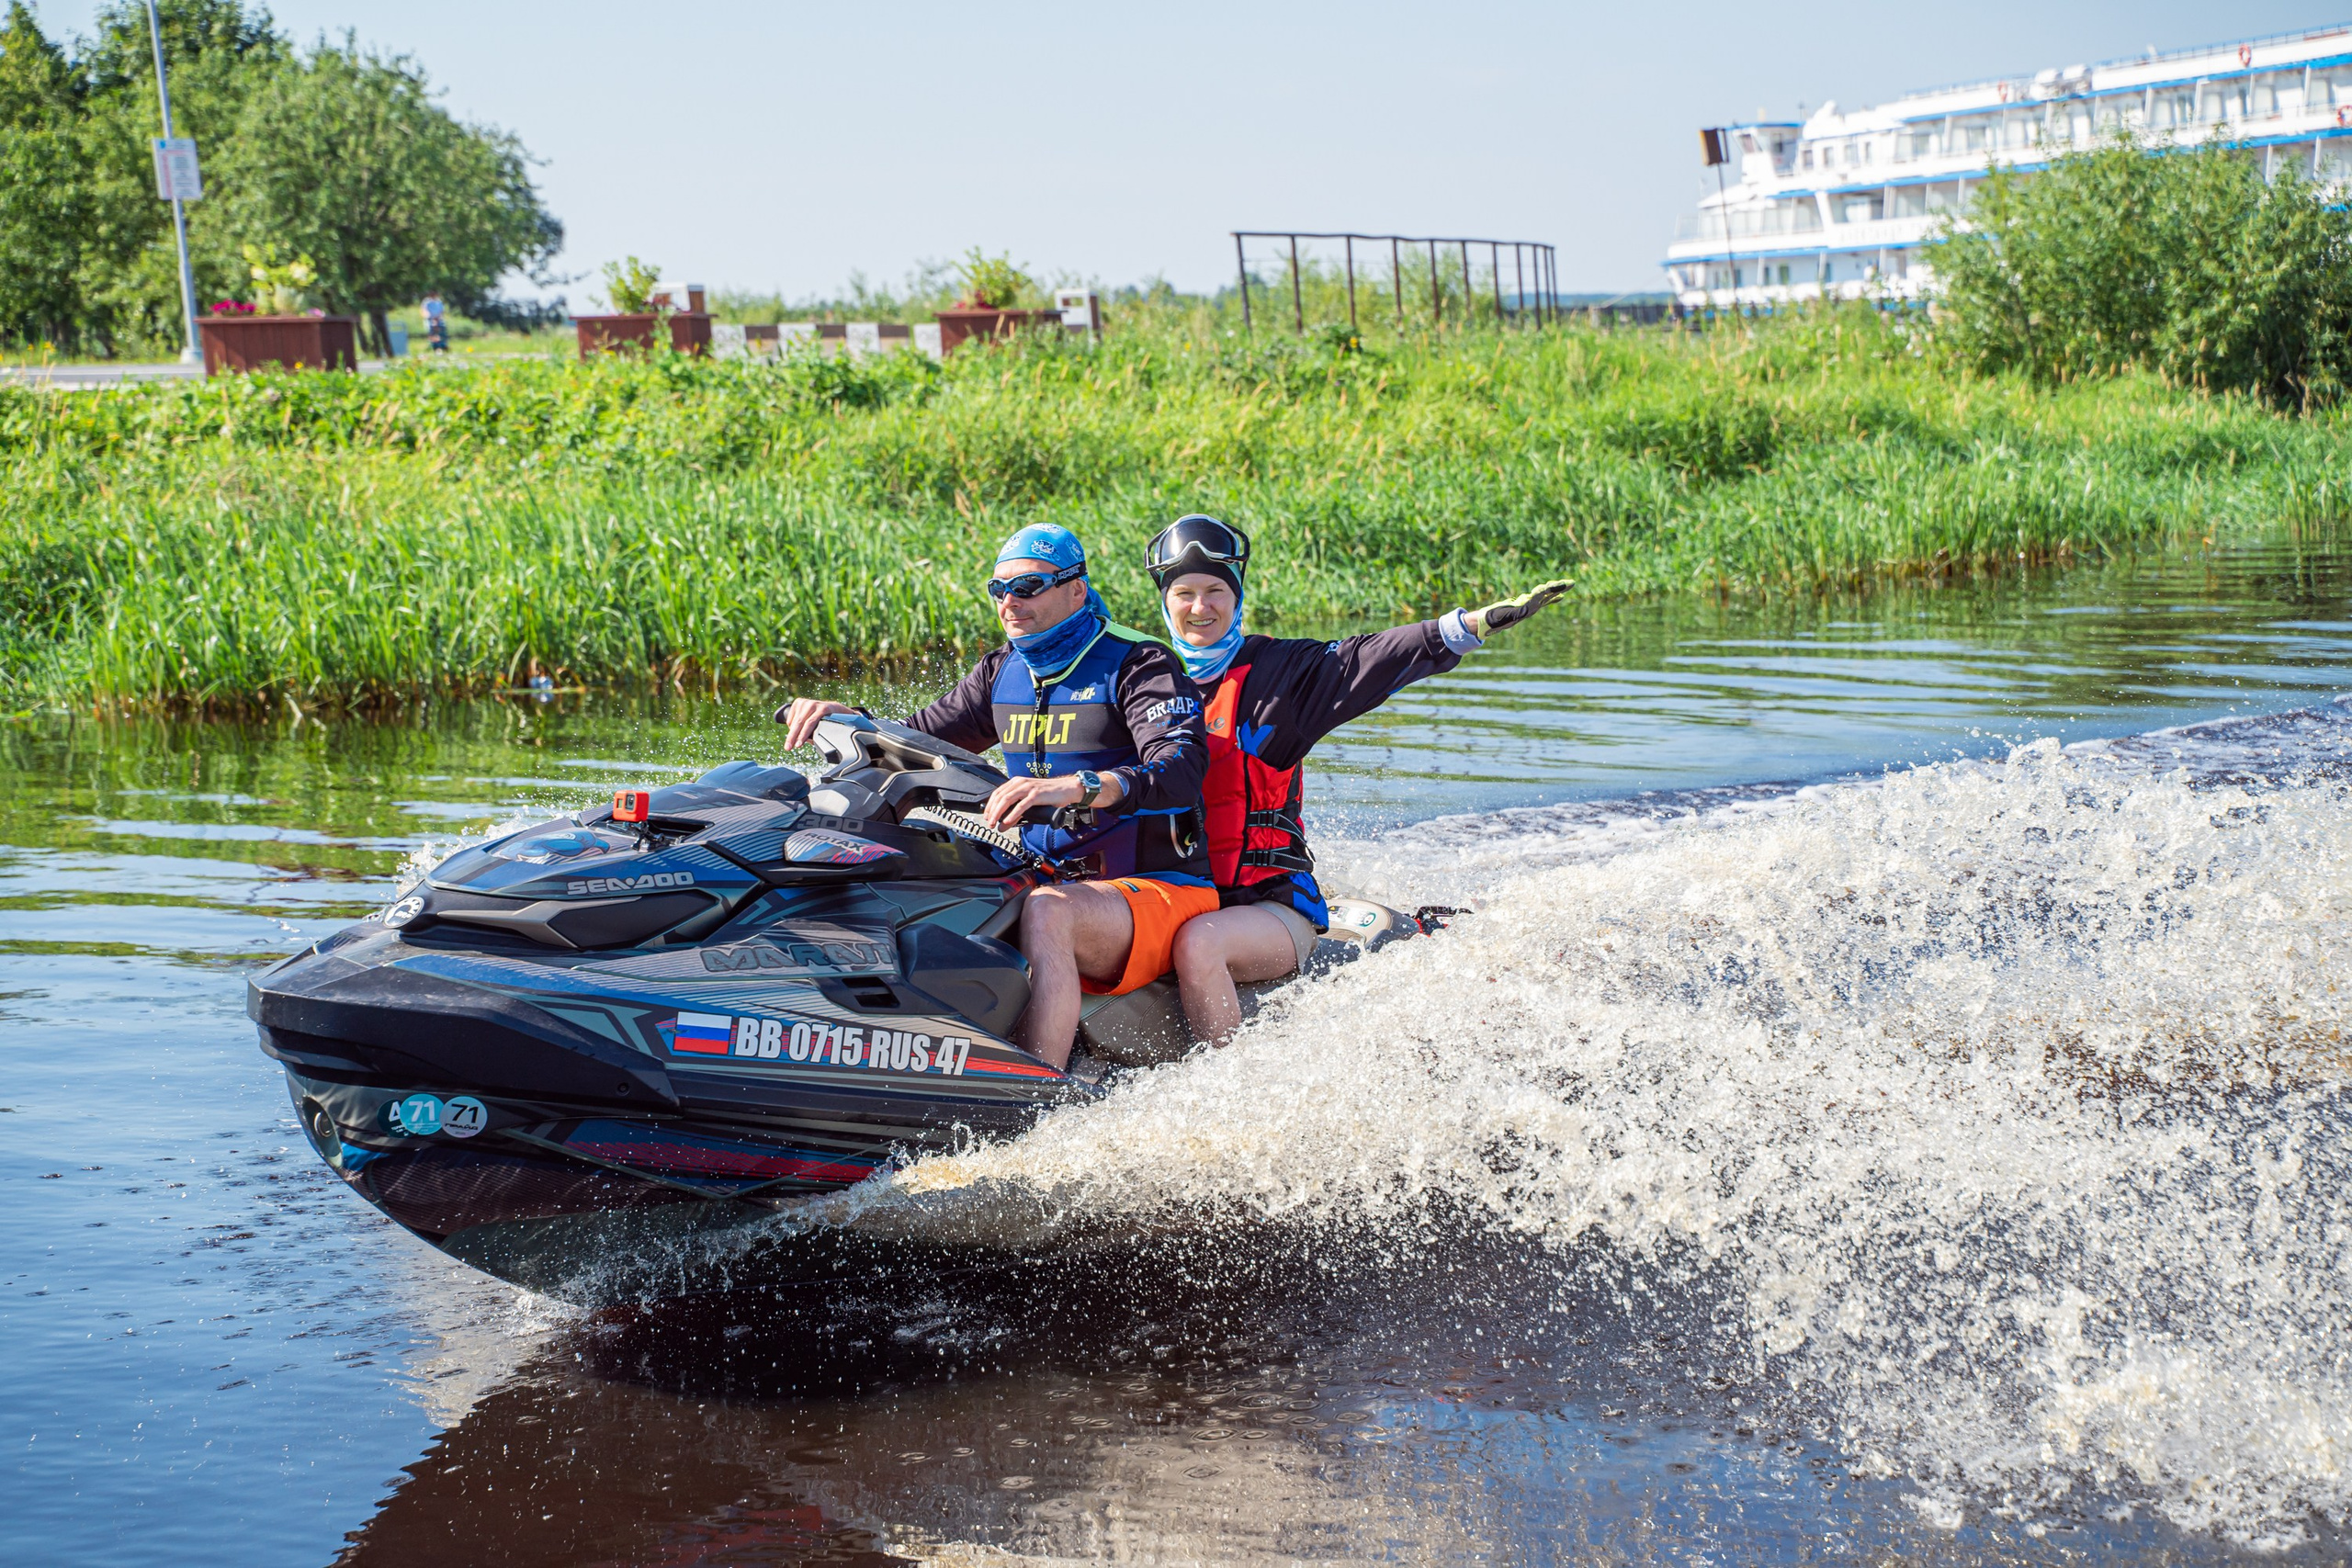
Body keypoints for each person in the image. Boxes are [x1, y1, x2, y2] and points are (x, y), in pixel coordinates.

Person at [779, 524, 1216, 1070]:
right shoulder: (1001, 671)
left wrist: (1079, 788)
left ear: (1076, 590)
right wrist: (848, 719)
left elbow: (1180, 768)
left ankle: (1039, 1098)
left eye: (1029, 587)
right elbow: (914, 742)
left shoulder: (1137, 663)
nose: (1010, 602)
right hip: (1048, 873)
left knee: (1047, 911)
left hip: (1160, 889)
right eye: (998, 588)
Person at [1148, 513, 1573, 1044]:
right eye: (1184, 592)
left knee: (1199, 944)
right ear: (1164, 600)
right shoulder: (1147, 680)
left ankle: (1223, 1082)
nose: (1200, 608)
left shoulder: (1280, 676)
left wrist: (1467, 627)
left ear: (1236, 597)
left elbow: (1367, 660)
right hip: (1175, 896)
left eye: (1215, 591)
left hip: (1264, 907)